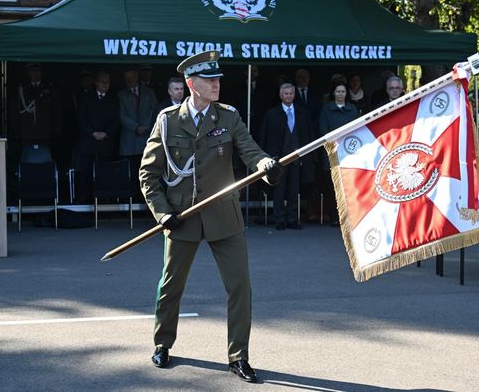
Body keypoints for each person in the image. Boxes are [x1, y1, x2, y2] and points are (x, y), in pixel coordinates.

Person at [139, 50, 283, 383]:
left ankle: (239, 355)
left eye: (218, 79)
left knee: (240, 287)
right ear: (191, 83)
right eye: (209, 80)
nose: (216, 84)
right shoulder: (168, 121)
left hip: (223, 215)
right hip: (182, 215)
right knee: (170, 286)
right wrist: (162, 213)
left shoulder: (229, 117)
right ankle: (162, 343)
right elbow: (148, 173)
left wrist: (265, 167)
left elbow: (250, 150)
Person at [259, 83, 314, 230]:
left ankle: (292, 219)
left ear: (294, 95)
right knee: (279, 190)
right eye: (286, 94)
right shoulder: (272, 114)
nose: (289, 96)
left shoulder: (302, 113)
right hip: (278, 158)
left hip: (297, 158)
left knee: (294, 190)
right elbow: (265, 136)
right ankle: (279, 220)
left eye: (291, 93)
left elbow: (308, 135)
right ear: (280, 95)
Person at [318, 83, 359, 225]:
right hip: (332, 152)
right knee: (333, 188)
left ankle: (350, 218)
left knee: (349, 187)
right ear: (333, 93)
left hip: (349, 152)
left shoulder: (353, 110)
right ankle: (335, 218)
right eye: (338, 91)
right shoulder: (326, 110)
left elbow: (356, 130)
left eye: (343, 91)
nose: (340, 94)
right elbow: (323, 130)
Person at [77, 71, 120, 200]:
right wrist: (92, 133)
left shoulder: (113, 98)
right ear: (96, 83)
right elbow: (81, 119)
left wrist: (107, 134)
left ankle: (104, 205)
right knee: (86, 176)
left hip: (106, 144)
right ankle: (85, 206)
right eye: (102, 82)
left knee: (105, 175)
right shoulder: (86, 97)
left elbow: (117, 120)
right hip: (88, 145)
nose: (105, 85)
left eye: (108, 82)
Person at [118, 67, 156, 200]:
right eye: (126, 78)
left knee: (146, 172)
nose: (129, 81)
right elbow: (121, 116)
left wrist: (145, 126)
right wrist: (136, 127)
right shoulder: (121, 95)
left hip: (146, 139)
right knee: (130, 173)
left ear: (137, 76)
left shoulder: (149, 92)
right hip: (129, 141)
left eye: (131, 77)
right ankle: (131, 200)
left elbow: (154, 111)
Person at [13, 62, 62, 163]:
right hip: (27, 132)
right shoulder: (22, 88)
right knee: (27, 159)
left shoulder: (49, 88)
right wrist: (16, 130)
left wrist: (57, 128)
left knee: (45, 159)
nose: (36, 74)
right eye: (33, 71)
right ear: (28, 73)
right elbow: (15, 110)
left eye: (38, 71)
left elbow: (56, 110)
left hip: (45, 132)